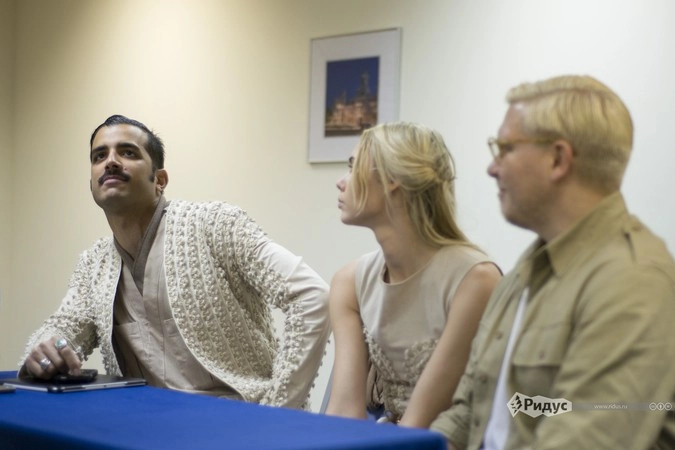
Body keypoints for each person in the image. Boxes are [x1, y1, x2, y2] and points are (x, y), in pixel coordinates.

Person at [18, 114, 330, 409]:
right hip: (143, 427)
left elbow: (310, 295)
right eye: (99, 156)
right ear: (91, 185)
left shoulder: (215, 225)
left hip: (241, 422)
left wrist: (278, 408)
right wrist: (47, 348)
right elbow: (65, 326)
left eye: (127, 152)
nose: (110, 161)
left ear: (160, 180)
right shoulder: (93, 265)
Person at [430, 75, 675, 449]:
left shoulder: (633, 280)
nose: (492, 168)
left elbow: (584, 441)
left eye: (505, 148)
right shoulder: (524, 272)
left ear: (558, 159)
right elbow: (467, 415)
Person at [325, 121, 502, 428]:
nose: (341, 182)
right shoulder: (348, 283)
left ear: (392, 179)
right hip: (396, 439)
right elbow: (343, 413)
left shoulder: (475, 281)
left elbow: (422, 422)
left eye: (353, 167)